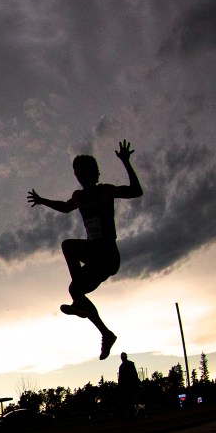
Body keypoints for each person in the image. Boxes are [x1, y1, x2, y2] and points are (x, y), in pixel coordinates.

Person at [28, 140, 143, 360]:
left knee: (68, 246)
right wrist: (42, 201)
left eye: (82, 172)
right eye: (76, 174)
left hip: (107, 253)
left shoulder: (106, 191)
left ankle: (80, 304)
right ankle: (106, 334)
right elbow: (64, 207)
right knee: (75, 290)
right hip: (95, 258)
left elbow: (136, 191)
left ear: (93, 173)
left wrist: (126, 162)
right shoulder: (78, 196)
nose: (79, 177)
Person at [117, 352, 140, 419]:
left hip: (129, 386)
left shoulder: (124, 366)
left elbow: (134, 374)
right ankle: (132, 413)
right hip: (128, 386)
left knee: (131, 400)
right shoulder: (124, 366)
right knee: (131, 400)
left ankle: (133, 412)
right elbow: (134, 374)